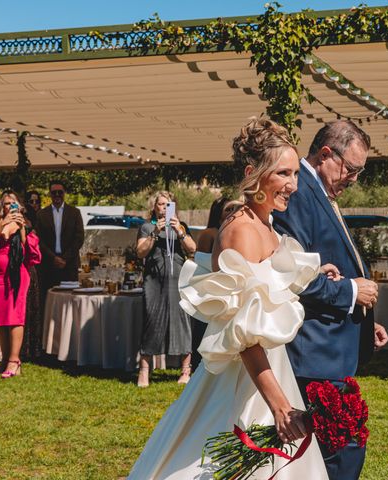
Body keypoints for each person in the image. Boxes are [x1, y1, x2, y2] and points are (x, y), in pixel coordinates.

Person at [128, 117, 334, 479]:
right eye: (284, 174)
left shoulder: (264, 221)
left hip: (273, 366)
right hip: (245, 379)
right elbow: (242, 333)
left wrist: (317, 273)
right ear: (254, 173)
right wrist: (280, 407)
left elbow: (266, 287)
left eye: (296, 174)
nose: (294, 185)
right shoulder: (240, 229)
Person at [272, 119, 388, 480]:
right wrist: (353, 291)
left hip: (331, 346)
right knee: (342, 452)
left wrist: (363, 319)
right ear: (326, 154)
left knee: (333, 453)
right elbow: (292, 276)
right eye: (352, 170)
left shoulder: (318, 192)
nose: (354, 180)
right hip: (313, 354)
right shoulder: (297, 195)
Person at [0, 191, 41, 378]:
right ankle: (5, 360)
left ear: (20, 206)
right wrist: (4, 224)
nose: (10, 206)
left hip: (17, 275)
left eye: (13, 203)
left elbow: (27, 250)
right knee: (0, 318)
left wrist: (19, 226)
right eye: (6, 203)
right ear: (1, 206)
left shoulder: (25, 224)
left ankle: (15, 360)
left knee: (15, 316)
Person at [136, 191, 197, 387]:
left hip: (178, 280)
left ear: (174, 207)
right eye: (160, 204)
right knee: (151, 322)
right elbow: (140, 252)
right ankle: (144, 370)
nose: (163, 208)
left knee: (182, 321)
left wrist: (180, 231)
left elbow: (192, 249)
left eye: (167, 205)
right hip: (154, 281)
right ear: (154, 207)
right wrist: (154, 234)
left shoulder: (181, 227)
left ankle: (185, 370)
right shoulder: (147, 227)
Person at [191, 196, 234, 371]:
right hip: (211, 290)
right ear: (218, 214)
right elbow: (199, 261)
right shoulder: (209, 234)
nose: (233, 212)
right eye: (228, 209)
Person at [35, 180, 84, 298]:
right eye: (54, 192)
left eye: (60, 192)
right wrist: (53, 258)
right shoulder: (41, 214)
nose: (57, 195)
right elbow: (38, 239)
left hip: (69, 265)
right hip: (48, 265)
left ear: (64, 193)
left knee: (71, 300)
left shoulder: (74, 213)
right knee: (47, 300)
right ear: (50, 194)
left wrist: (64, 258)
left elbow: (79, 238)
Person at [22, 190, 43, 359]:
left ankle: (30, 347)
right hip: (16, 270)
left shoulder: (33, 229)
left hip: (30, 270)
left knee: (32, 309)